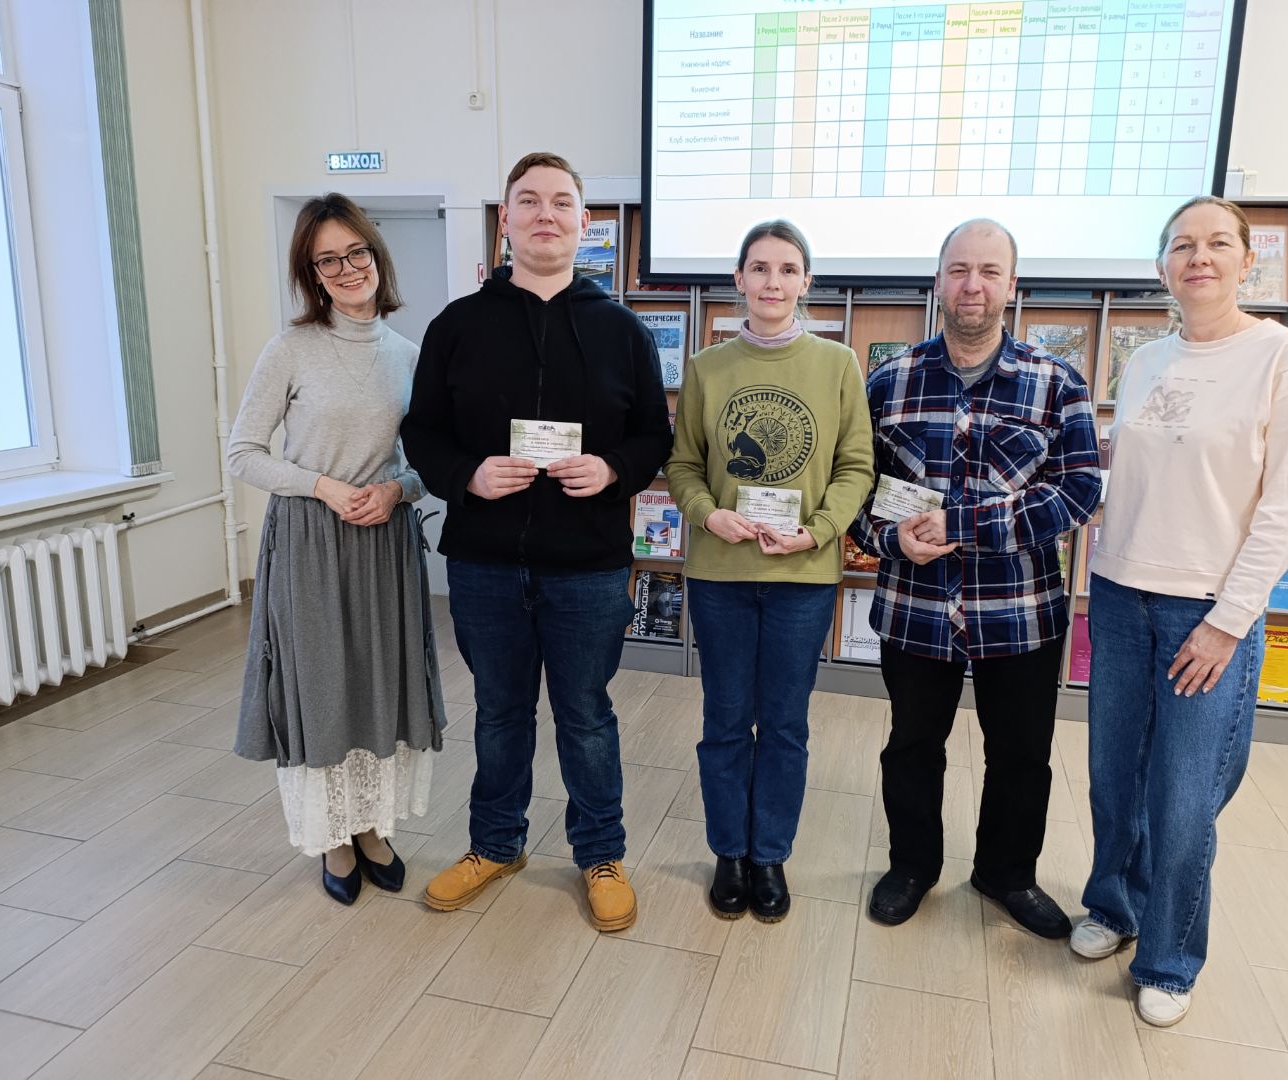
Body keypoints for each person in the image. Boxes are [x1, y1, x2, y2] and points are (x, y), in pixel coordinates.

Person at [401, 151, 672, 932]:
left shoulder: (623, 331)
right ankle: (496, 844)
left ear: (585, 224)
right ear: (506, 221)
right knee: (499, 714)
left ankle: (601, 854)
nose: (544, 214)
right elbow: (423, 431)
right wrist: (468, 476)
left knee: (586, 716)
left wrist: (614, 468)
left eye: (560, 202)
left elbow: (653, 435)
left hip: (588, 568)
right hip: (484, 564)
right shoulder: (456, 326)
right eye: (528, 201)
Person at [1073, 196, 1288, 1026]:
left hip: (1206, 608)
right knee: (1113, 777)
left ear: (1248, 261)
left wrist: (1228, 621)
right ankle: (1114, 905)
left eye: (1218, 243)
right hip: (1118, 594)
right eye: (1182, 245)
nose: (1199, 258)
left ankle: (1171, 959)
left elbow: (1287, 507)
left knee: (1183, 799)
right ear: (1162, 268)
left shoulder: (1284, 357)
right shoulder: (1147, 359)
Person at [849, 219, 1101, 938]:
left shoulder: (1058, 383)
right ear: (938, 281)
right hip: (915, 607)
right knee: (911, 746)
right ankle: (912, 866)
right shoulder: (887, 381)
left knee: (1021, 755)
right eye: (959, 270)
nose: (972, 285)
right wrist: (887, 537)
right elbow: (853, 490)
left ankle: (1006, 874)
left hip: (1019, 610)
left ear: (1011, 285)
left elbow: (1079, 492)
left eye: (989, 271)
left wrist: (964, 525)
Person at [228, 193, 446, 906]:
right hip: (310, 543)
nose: (348, 268)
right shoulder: (289, 350)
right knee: (321, 686)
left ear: (377, 256)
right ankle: (332, 837)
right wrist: (320, 486)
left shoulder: (409, 356)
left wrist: (398, 490)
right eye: (329, 260)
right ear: (312, 274)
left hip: (383, 543)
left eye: (357, 252)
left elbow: (429, 463)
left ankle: (373, 827)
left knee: (379, 683)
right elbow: (243, 452)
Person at [664, 220, 874, 922]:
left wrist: (818, 530)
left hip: (802, 576)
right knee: (725, 718)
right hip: (721, 572)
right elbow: (684, 465)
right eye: (759, 268)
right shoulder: (706, 368)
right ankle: (729, 851)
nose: (773, 282)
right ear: (739, 279)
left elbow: (856, 467)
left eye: (787, 269)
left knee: (784, 724)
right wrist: (707, 514)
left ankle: (770, 854)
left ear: (806, 281)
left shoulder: (838, 365)